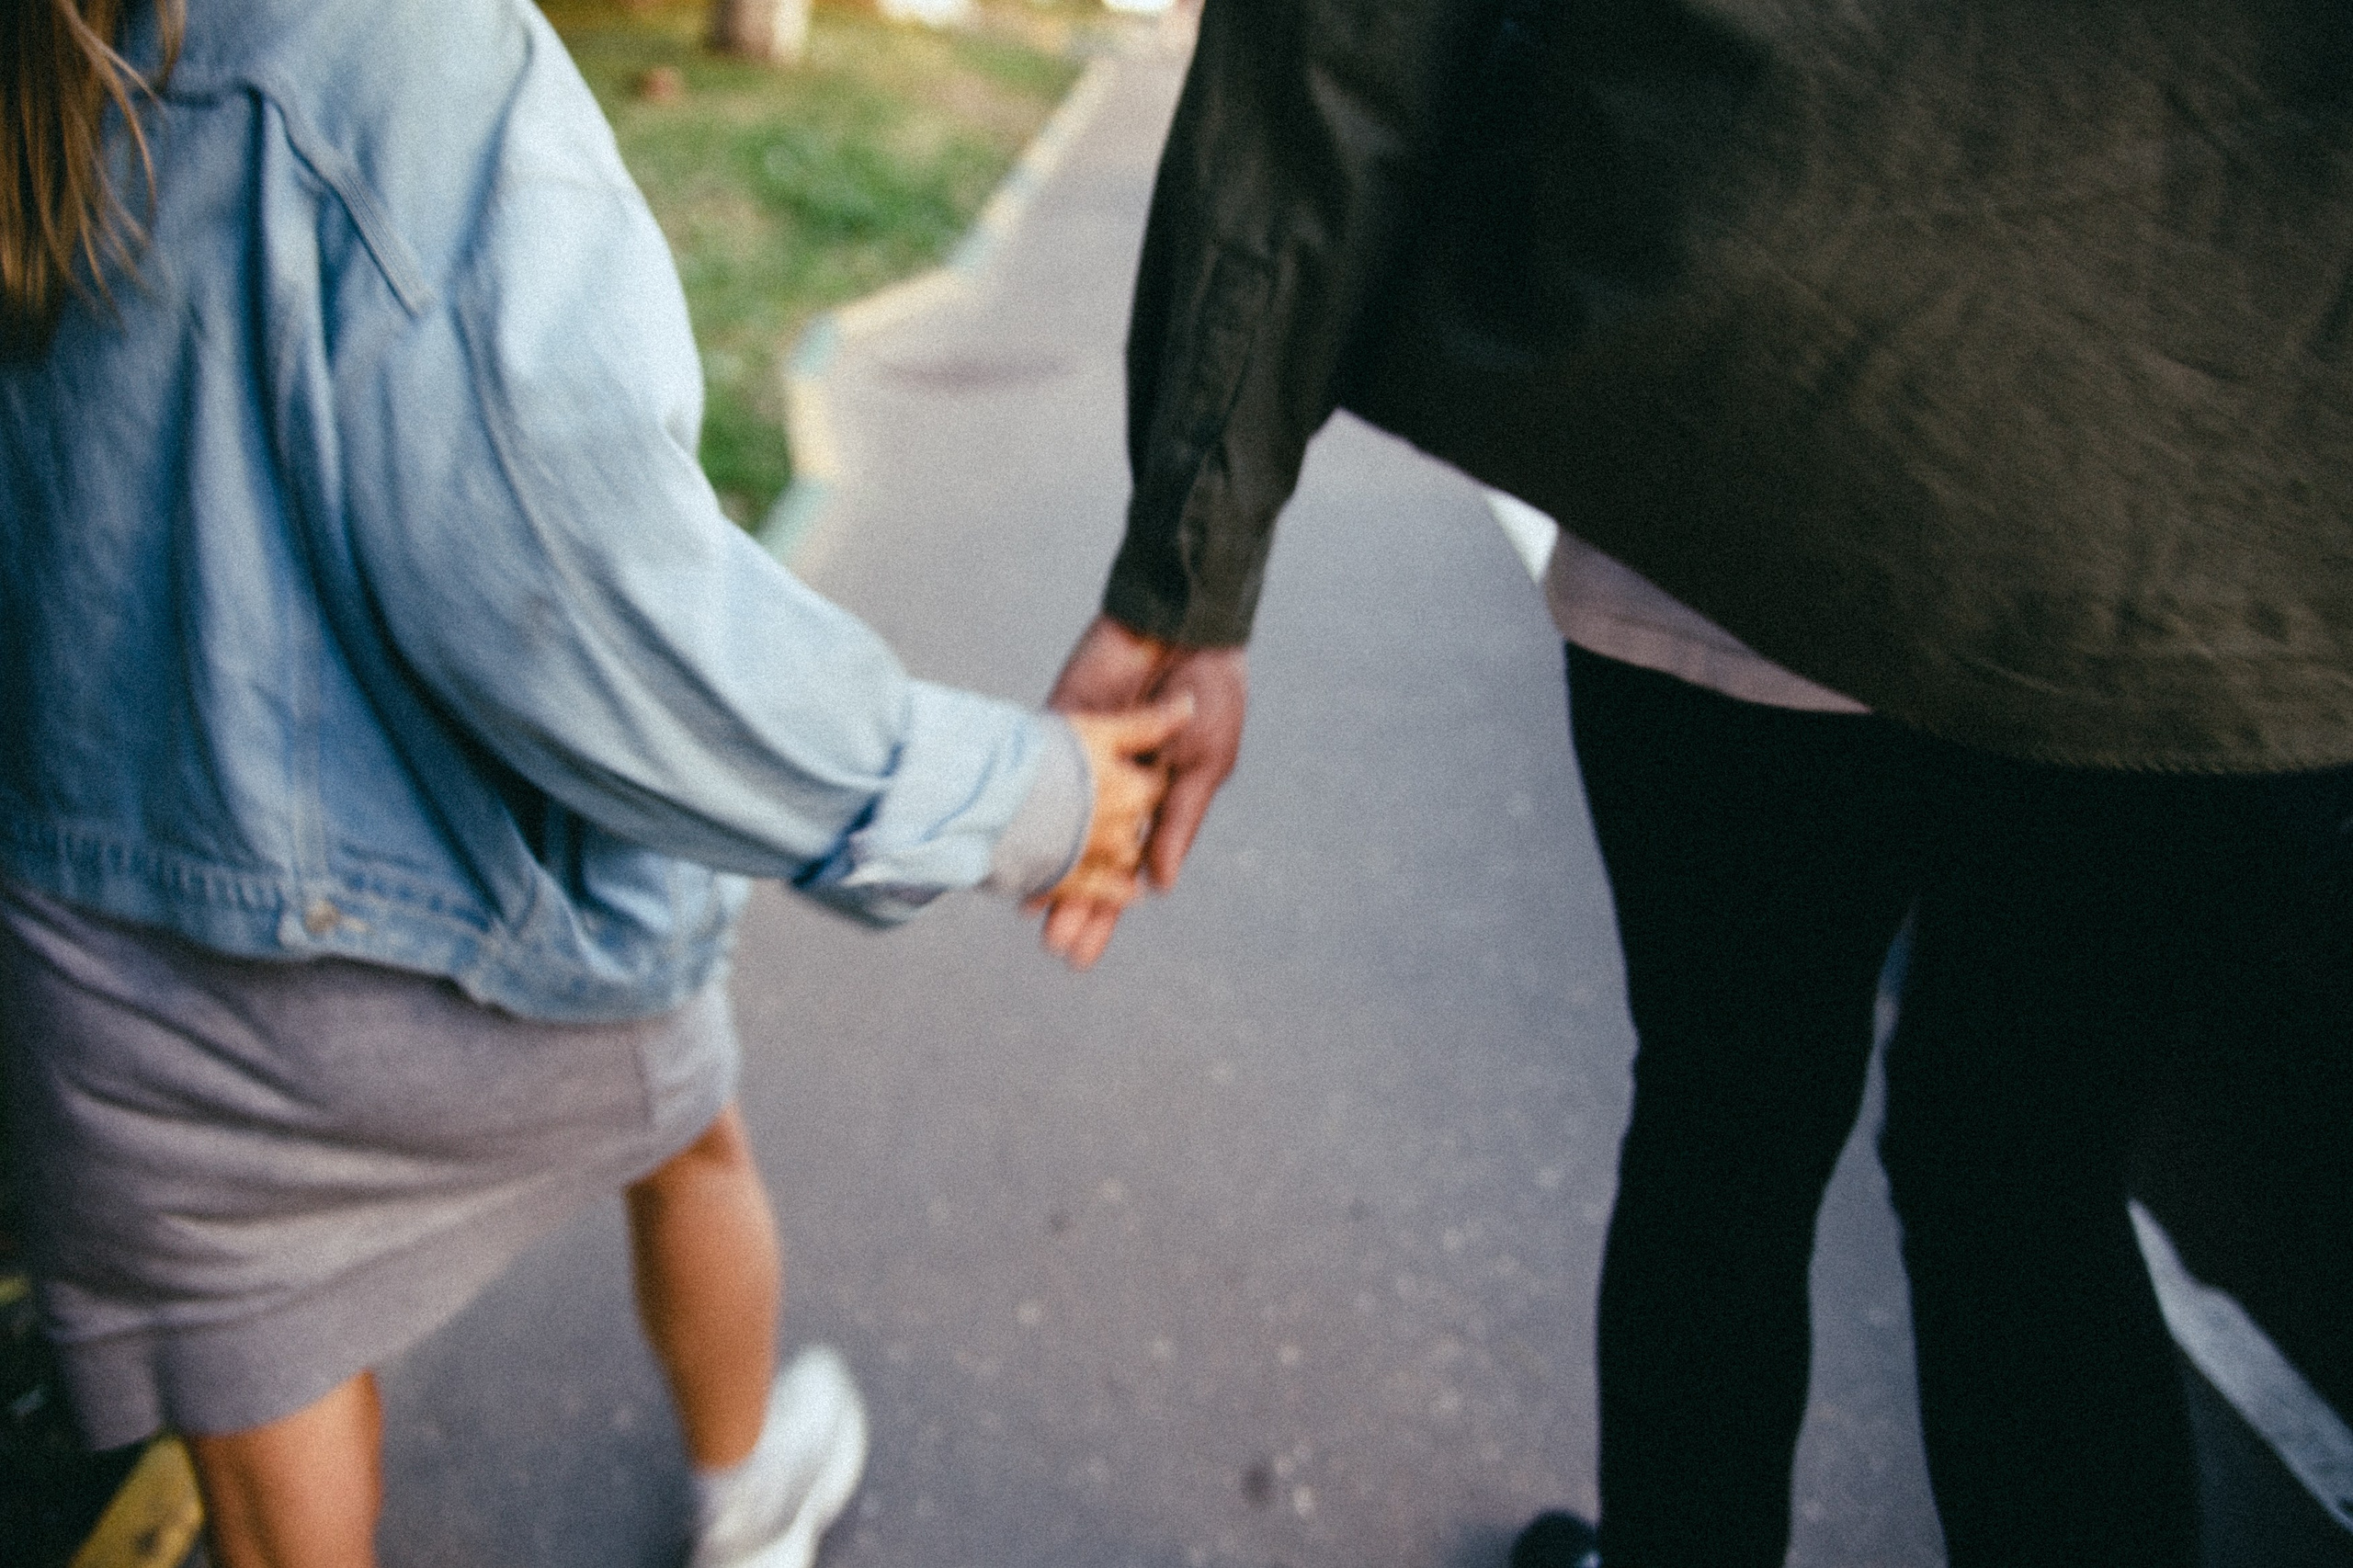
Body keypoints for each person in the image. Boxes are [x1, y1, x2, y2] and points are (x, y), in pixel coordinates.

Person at [1041, 2, 2353, 1565]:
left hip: (1744, 438)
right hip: (2214, 505)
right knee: (2030, 1179)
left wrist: (1184, 570)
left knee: (1725, 1127)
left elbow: (1337, 43)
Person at [0, 0, 1190, 1563]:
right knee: (687, 1129)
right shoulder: (394, 53)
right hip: (432, 956)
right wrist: (1017, 795)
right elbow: (588, 607)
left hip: (100, 995)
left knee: (265, 1354)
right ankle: (747, 1482)